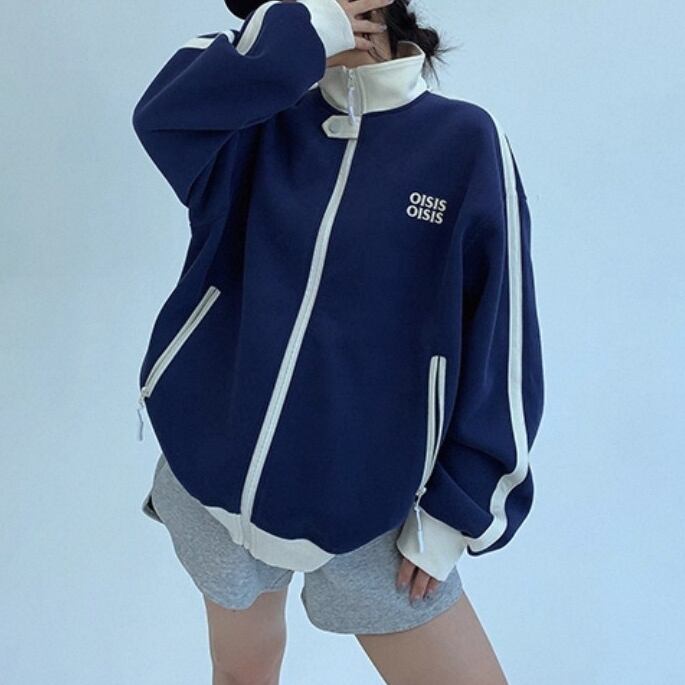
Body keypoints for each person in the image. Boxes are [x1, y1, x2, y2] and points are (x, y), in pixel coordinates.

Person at [131, 0, 545, 682]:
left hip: (374, 506)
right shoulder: (253, 120)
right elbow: (163, 116)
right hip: (211, 470)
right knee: (241, 674)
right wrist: (304, 34)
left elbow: (503, 338)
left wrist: (454, 513)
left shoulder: (462, 142)